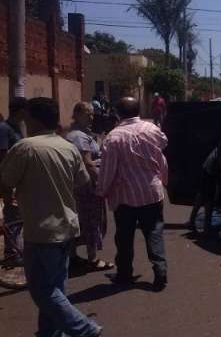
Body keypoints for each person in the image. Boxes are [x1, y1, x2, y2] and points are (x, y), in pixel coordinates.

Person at [0, 97, 102, 337]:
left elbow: (4, 182)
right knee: (56, 287)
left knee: (41, 290)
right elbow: (83, 182)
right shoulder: (68, 147)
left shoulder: (25, 147)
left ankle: (84, 329)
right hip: (67, 226)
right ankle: (50, 333)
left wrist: (11, 196)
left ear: (32, 118)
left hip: (42, 229)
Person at [97, 97, 169, 291]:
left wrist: (101, 191)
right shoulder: (152, 129)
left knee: (124, 237)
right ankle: (160, 270)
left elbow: (108, 170)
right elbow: (162, 147)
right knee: (154, 232)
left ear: (118, 114)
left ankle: (124, 275)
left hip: (125, 196)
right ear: (139, 110)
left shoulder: (113, 137)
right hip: (151, 192)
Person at [66, 102, 114, 272]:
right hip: (87, 185)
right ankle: (92, 259)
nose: (92, 117)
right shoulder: (79, 136)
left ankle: (72, 256)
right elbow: (88, 164)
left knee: (82, 221)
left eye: (93, 114)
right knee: (91, 221)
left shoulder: (84, 134)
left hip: (83, 185)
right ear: (77, 114)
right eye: (88, 114)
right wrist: (103, 184)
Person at [1, 97, 27, 263]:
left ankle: (14, 250)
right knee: (12, 214)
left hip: (18, 178)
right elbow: (2, 156)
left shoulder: (18, 127)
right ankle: (11, 254)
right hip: (8, 179)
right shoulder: (4, 129)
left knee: (17, 216)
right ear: (20, 111)